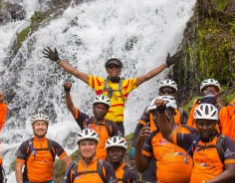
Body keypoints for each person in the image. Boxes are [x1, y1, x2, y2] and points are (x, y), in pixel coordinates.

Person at [43, 47, 184, 133]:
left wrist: (166, 64)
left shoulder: (126, 84)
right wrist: (58, 60)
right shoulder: (98, 83)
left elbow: (147, 76)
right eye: (111, 66)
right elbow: (77, 73)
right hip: (102, 125)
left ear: (120, 69)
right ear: (107, 69)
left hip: (117, 125)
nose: (114, 69)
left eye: (116, 66)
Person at [136, 96, 196, 183]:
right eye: (153, 114)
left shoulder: (189, 132)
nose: (155, 117)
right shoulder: (152, 137)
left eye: (158, 112)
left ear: (173, 112)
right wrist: (138, 145)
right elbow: (141, 167)